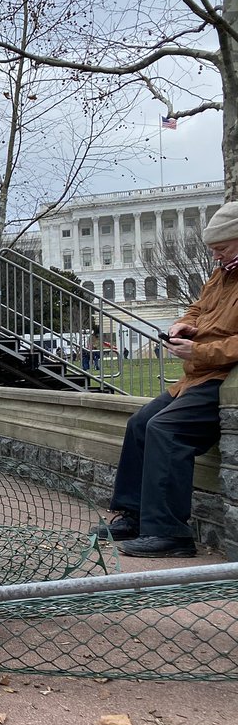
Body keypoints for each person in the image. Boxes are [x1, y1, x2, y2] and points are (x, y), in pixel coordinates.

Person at [103, 203, 238, 559]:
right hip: (196, 376)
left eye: (222, 247)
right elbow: (199, 307)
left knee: (166, 428)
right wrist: (185, 323)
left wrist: (199, 352)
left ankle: (170, 534)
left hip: (221, 378)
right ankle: (134, 515)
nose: (215, 254)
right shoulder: (222, 272)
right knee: (140, 423)